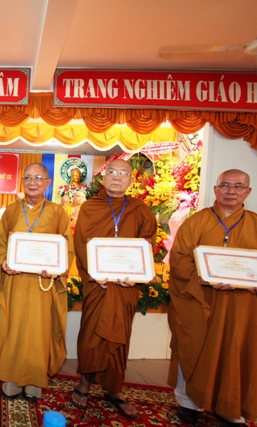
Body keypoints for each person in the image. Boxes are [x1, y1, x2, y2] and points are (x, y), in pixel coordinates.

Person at [168, 169, 257, 426]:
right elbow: (179, 260)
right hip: (202, 302)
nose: (231, 191)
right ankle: (189, 404)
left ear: (248, 192)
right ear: (216, 189)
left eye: (238, 186)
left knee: (238, 355)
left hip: (245, 309)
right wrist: (204, 278)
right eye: (225, 185)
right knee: (193, 348)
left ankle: (232, 409)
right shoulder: (196, 223)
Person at [72, 159, 156, 418]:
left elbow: (148, 244)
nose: (117, 177)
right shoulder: (90, 207)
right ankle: (84, 384)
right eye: (112, 172)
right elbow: (81, 243)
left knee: (119, 335)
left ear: (131, 179)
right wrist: (95, 274)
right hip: (99, 284)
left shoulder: (141, 209)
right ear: (103, 177)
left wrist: (137, 276)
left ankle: (115, 389)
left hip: (125, 286)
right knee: (91, 332)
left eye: (123, 173)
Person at [0, 163, 74, 402]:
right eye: (28, 177)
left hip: (43, 284)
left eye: (38, 178)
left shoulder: (58, 212)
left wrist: (56, 270)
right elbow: (1, 244)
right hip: (15, 282)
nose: (32, 182)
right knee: (13, 328)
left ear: (47, 183)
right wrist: (4, 263)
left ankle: (34, 381)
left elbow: (66, 247)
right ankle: (10, 377)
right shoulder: (11, 211)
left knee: (39, 332)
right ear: (22, 182)